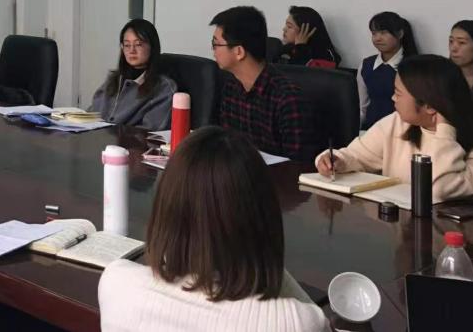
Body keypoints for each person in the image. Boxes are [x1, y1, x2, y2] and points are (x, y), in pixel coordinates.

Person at [99, 126, 330, 332]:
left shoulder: (116, 284)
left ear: (165, 208)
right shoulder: (297, 322)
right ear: (266, 217)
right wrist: (263, 259)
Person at [317, 55, 473, 202]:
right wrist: (337, 160)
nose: (393, 98)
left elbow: (439, 188)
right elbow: (357, 155)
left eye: (398, 93)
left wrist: (444, 130)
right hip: (403, 226)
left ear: (429, 105)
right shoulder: (398, 123)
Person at [210, 6, 317, 161]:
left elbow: (299, 165)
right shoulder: (231, 88)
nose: (213, 50)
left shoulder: (288, 99)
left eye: (216, 44)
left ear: (239, 52)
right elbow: (228, 146)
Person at [89, 19, 177, 129]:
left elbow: (150, 131)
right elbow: (90, 116)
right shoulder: (114, 80)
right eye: (127, 45)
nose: (132, 51)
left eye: (138, 44)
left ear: (152, 47)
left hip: (129, 140)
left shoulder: (164, 88)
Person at [358, 12, 419, 129]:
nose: (378, 38)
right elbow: (362, 107)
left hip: (401, 130)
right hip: (370, 129)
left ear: (400, 34)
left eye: (383, 33)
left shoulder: (412, 66)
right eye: (374, 33)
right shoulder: (366, 65)